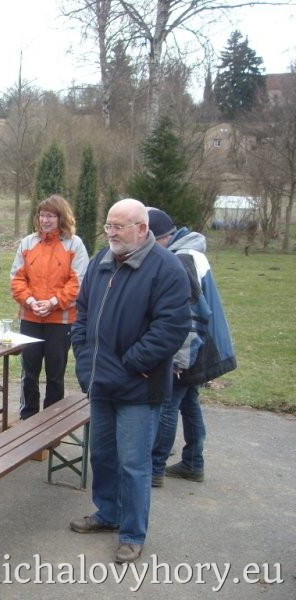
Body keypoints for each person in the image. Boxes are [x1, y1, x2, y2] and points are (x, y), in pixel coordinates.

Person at [69, 198, 190, 564]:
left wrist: (131, 364)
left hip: (138, 386)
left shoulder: (166, 268)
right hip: (100, 383)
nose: (111, 233)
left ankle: (133, 533)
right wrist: (84, 356)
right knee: (103, 455)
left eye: (118, 226)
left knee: (134, 464)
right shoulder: (100, 263)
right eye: (108, 225)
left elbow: (171, 328)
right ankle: (108, 513)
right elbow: (82, 314)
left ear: (142, 228)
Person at [147, 208, 237, 487]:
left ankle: (154, 467)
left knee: (168, 404)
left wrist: (178, 360)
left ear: (161, 237)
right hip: (205, 345)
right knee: (189, 402)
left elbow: (189, 316)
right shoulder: (190, 251)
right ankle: (193, 462)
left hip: (192, 347)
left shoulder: (181, 259)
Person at [10, 194, 89, 420]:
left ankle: (52, 420)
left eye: (51, 216)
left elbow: (78, 282)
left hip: (61, 321)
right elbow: (16, 278)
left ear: (61, 217)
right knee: (29, 372)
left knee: (56, 374)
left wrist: (53, 303)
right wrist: (31, 302)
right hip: (30, 318)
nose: (45, 220)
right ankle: (28, 417)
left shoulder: (74, 244)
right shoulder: (28, 243)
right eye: (42, 215)